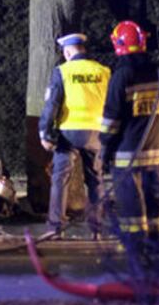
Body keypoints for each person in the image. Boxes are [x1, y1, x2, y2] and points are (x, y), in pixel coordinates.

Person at [100, 20, 159, 255]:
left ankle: (136, 247)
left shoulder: (122, 76)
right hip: (156, 153)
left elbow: (111, 120)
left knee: (132, 204)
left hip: (127, 156)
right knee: (156, 202)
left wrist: (105, 146)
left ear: (118, 44)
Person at [38, 33, 110, 239]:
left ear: (68, 52)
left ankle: (55, 228)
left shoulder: (63, 71)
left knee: (60, 179)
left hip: (69, 133)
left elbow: (52, 104)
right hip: (96, 133)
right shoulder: (103, 71)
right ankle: (98, 230)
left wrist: (45, 132)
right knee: (96, 180)